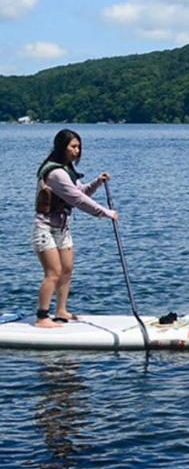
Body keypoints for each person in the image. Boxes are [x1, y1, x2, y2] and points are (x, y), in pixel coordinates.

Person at [32, 129, 118, 328]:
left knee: (67, 270)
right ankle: (42, 317)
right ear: (62, 147)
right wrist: (106, 213)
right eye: (73, 147)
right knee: (53, 272)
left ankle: (61, 311)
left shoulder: (67, 170)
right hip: (45, 229)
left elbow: (81, 191)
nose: (77, 151)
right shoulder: (55, 172)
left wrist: (97, 181)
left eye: (79, 147)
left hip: (62, 229)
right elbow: (77, 200)